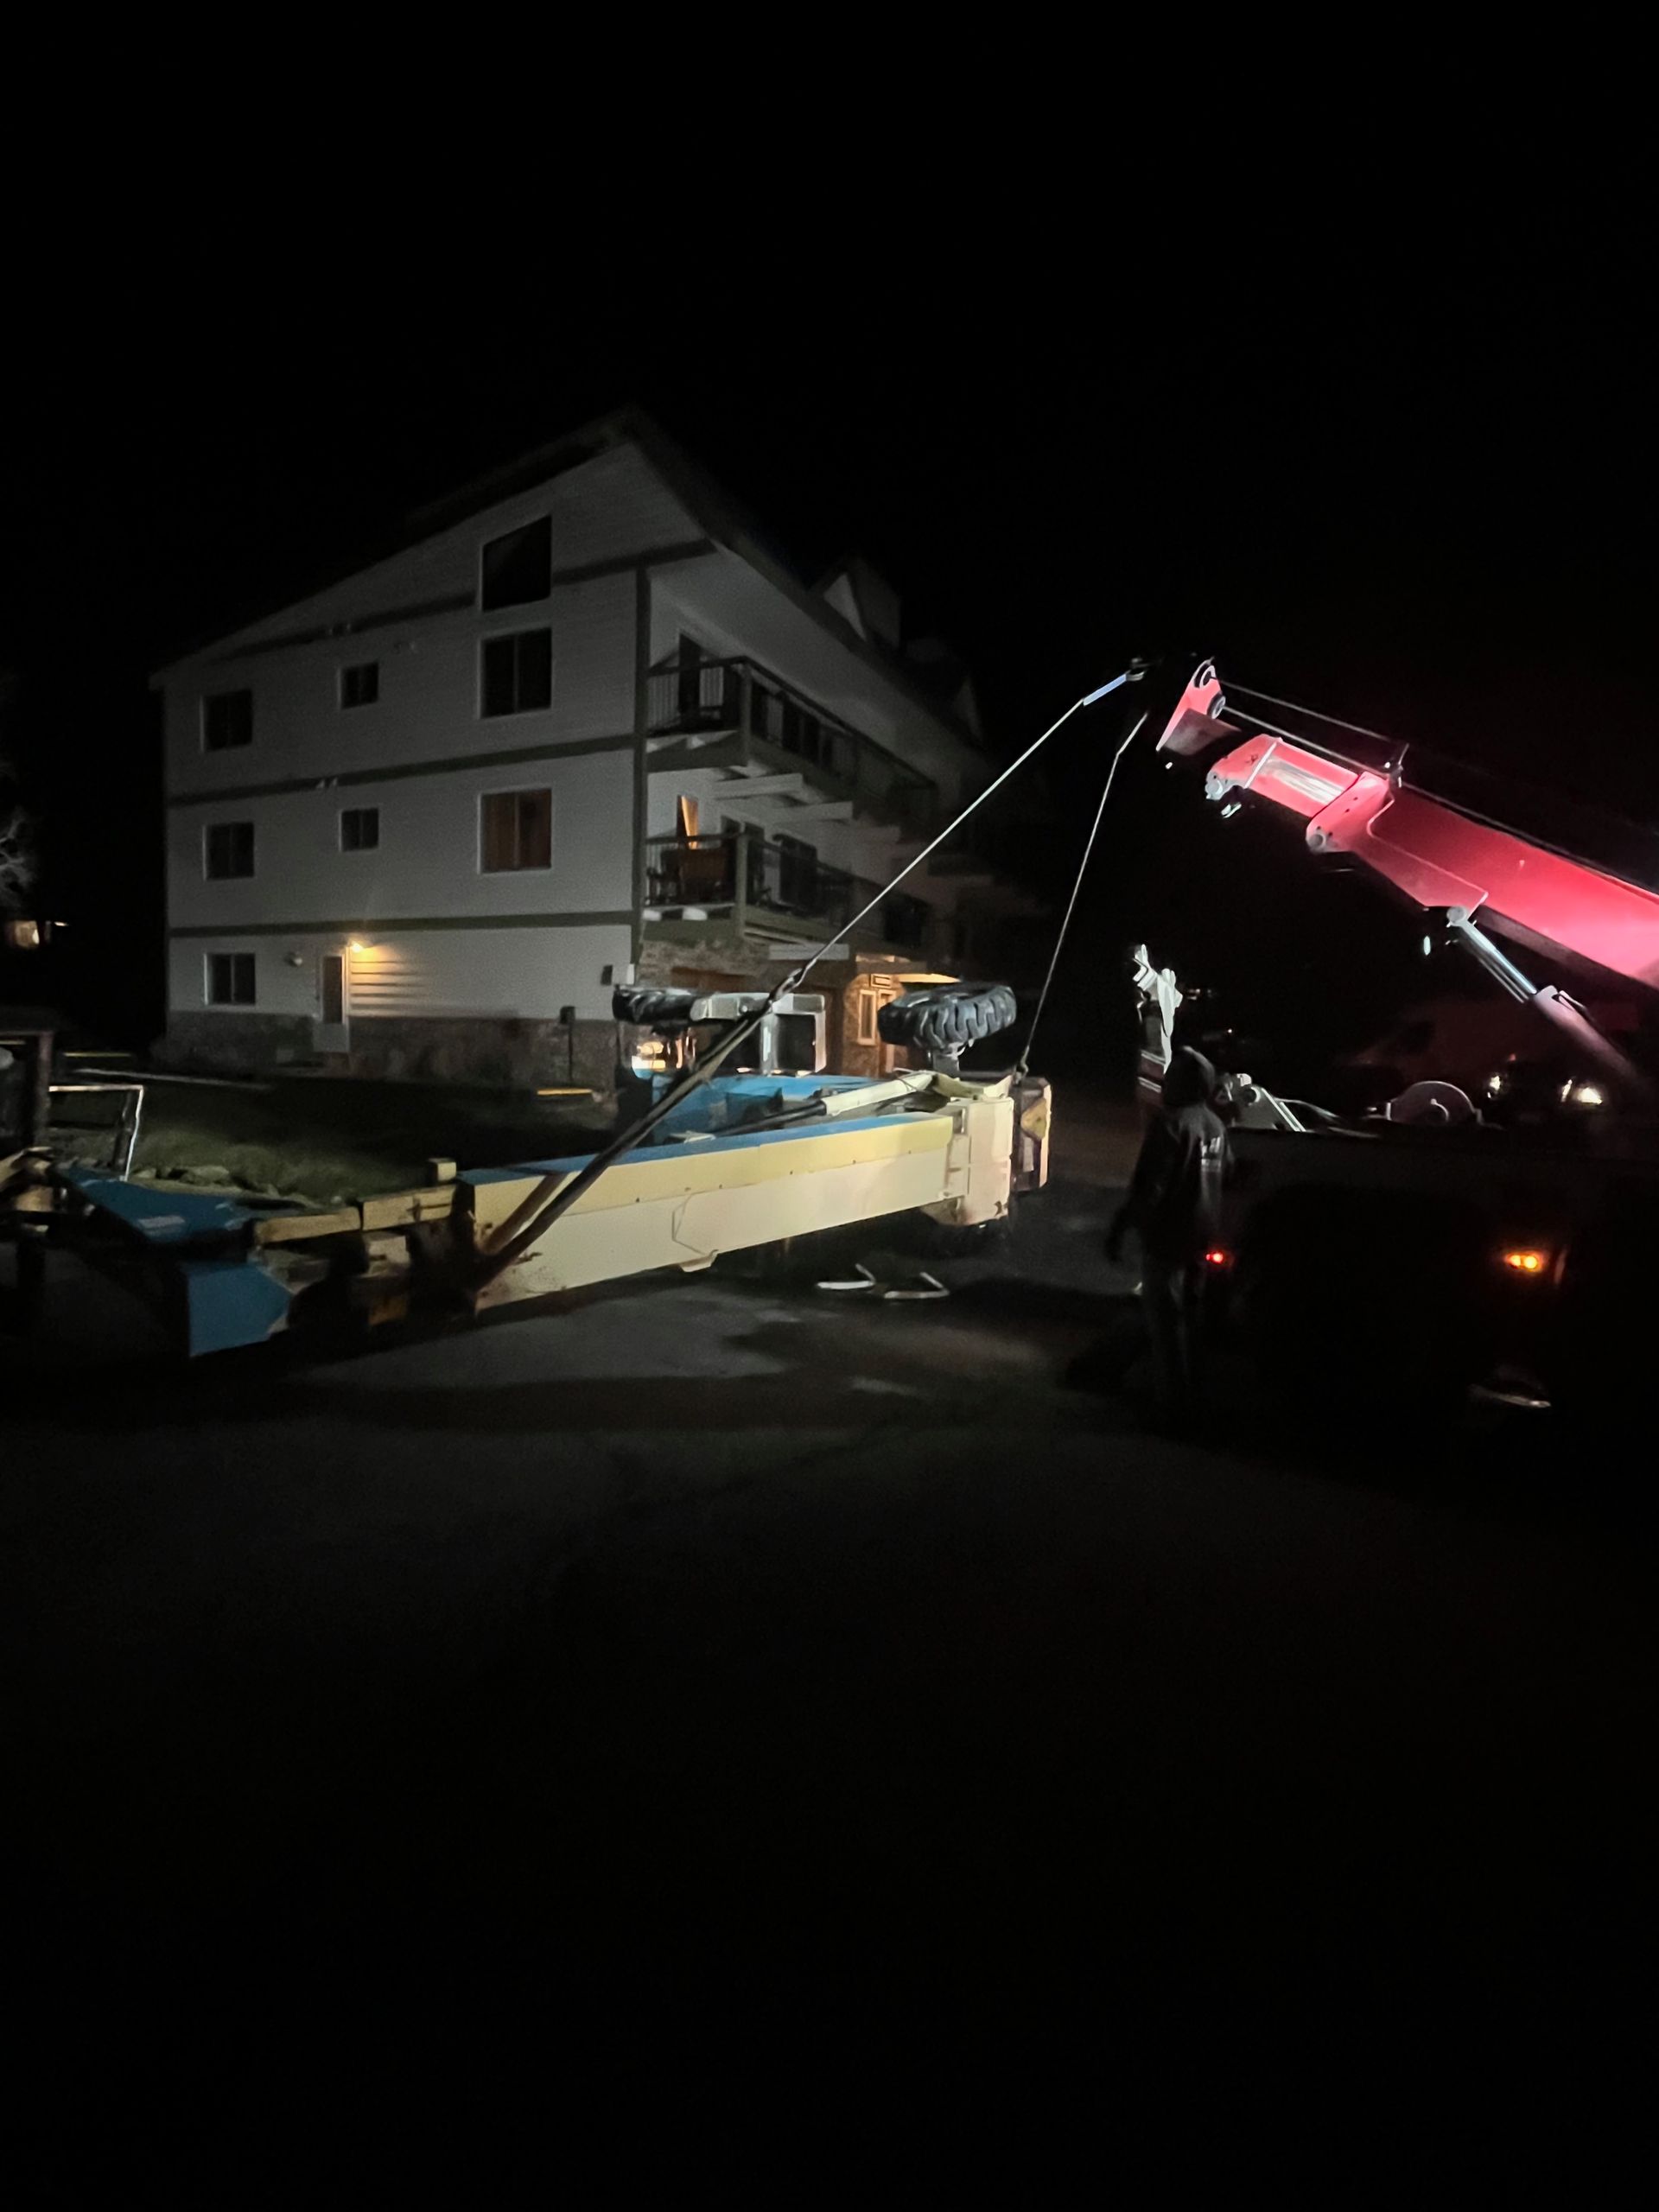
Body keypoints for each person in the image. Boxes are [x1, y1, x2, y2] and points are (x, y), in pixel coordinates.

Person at [1105, 1046, 1228, 1422]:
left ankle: (1173, 1410)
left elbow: (1150, 1187)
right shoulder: (1215, 1126)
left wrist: (1121, 1228)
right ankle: (1195, 1396)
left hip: (1169, 1239)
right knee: (1191, 1321)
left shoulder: (1171, 1124)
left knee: (1166, 1325)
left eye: (1170, 1078)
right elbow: (1230, 1171)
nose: (1164, 1085)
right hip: (1203, 1237)